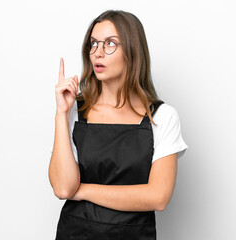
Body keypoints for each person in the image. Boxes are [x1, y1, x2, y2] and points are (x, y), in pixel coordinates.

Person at [49, 10, 188, 240]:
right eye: (93, 44)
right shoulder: (74, 111)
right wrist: (60, 113)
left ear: (132, 51)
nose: (98, 53)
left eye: (110, 43)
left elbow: (158, 197)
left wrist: (83, 190)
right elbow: (64, 189)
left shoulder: (162, 117)